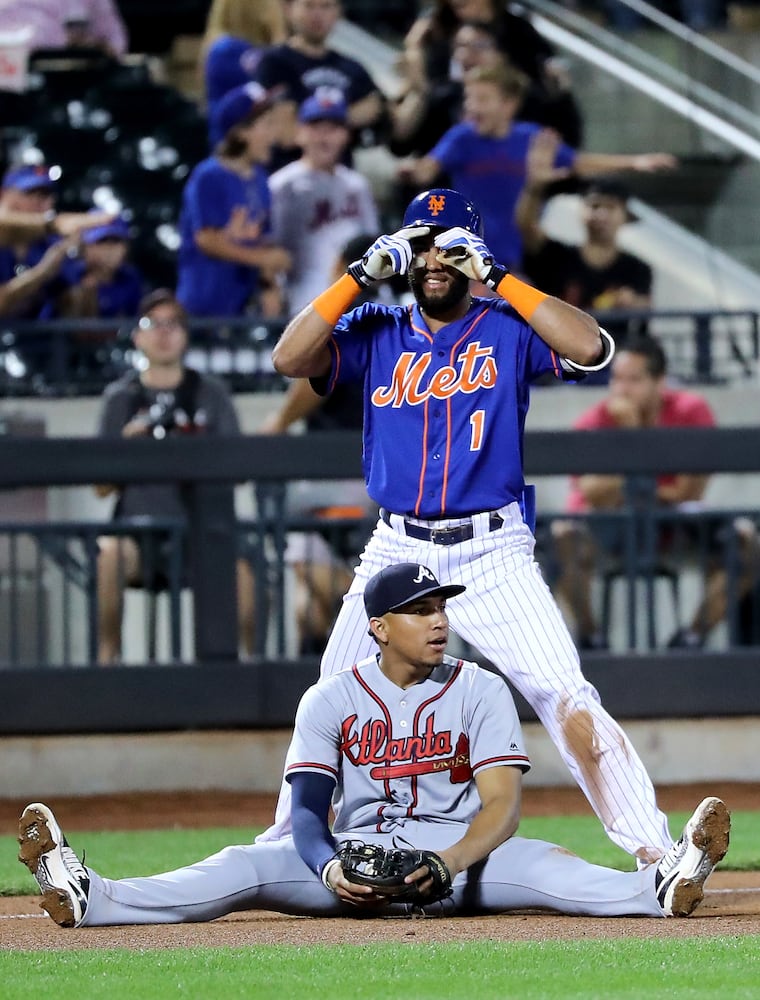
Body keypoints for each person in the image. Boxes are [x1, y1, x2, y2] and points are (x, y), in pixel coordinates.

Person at [264, 184, 677, 866]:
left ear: (473, 253)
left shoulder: (507, 326)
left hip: (492, 548)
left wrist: (501, 278)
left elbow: (594, 348)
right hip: (397, 547)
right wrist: (359, 274)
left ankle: (654, 855)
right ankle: (286, 847)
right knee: (332, 697)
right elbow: (288, 359)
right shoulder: (375, 327)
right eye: (422, 245)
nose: (434, 259)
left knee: (563, 691)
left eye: (449, 246)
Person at [17, 562, 730, 928]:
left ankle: (660, 886)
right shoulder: (329, 698)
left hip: (460, 861)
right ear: (379, 627)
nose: (439, 620)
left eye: (442, 606)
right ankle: (93, 895)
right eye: (419, 611)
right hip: (354, 860)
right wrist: (327, 870)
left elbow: (503, 806)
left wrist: (451, 860)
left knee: (546, 863)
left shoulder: (480, 689)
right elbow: (303, 814)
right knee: (240, 866)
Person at [550, 333, 760, 651]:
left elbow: (689, 491)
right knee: (562, 536)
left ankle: (691, 638)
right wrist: (632, 438)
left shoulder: (691, 410)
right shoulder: (594, 420)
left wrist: (624, 481)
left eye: (634, 380)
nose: (621, 389)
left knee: (746, 545)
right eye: (617, 378)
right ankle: (592, 637)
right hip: (607, 526)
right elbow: (592, 493)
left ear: (660, 381)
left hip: (673, 524)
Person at [93, 288, 256, 664]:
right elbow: (100, 487)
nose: (164, 333)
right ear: (137, 335)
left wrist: (196, 449)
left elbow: (241, 471)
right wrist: (126, 448)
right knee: (108, 554)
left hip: (203, 530)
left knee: (243, 566)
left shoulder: (211, 393)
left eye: (174, 324)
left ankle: (248, 669)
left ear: (186, 335)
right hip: (137, 532)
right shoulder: (120, 397)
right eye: (153, 324)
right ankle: (106, 661)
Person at [400, 63, 676, 272]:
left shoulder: (532, 139)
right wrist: (412, 172)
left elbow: (579, 162)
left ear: (509, 104)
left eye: (482, 99)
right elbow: (428, 168)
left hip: (524, 256)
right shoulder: (461, 137)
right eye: (469, 99)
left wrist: (635, 162)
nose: (471, 107)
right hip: (469, 257)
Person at [260, 232, 383, 654]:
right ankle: (381, 616)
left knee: (304, 558)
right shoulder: (402, 313)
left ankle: (385, 613)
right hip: (363, 473)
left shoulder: (355, 313)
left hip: (349, 477)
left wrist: (278, 422)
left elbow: (316, 381)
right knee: (308, 589)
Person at [516, 129, 654, 353]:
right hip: (559, 361)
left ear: (625, 216)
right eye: (594, 206)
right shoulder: (558, 256)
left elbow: (645, 307)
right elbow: (526, 226)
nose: (601, 215)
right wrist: (534, 187)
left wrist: (630, 302)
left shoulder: (637, 268)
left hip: (613, 359)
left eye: (610, 207)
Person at [176, 81, 292, 320]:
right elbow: (207, 240)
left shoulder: (259, 178)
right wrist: (263, 258)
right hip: (204, 308)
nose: (273, 134)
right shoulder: (209, 175)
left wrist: (269, 280)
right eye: (266, 124)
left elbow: (260, 239)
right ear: (240, 132)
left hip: (243, 308)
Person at [269, 89, 381, 318]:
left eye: (332, 129)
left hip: (358, 304)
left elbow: (374, 245)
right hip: (304, 305)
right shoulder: (282, 186)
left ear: (345, 135)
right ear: (300, 133)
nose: (324, 137)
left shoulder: (356, 185)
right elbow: (272, 253)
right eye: (316, 128)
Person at [252, 0, 387, 170]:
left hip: (340, 178)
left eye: (326, 6)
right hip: (289, 176)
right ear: (288, 9)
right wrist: (346, 116)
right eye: (309, 6)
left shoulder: (352, 67)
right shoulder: (275, 62)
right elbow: (287, 134)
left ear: (338, 12)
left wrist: (416, 86)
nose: (318, 15)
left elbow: (386, 118)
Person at [199, 0, 287, 137]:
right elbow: (278, 81)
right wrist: (278, 34)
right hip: (236, 147)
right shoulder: (228, 49)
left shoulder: (230, 46)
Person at [1, 0, 128, 57]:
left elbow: (116, 38)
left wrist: (103, 46)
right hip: (22, 82)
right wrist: (63, 38)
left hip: (82, 78)